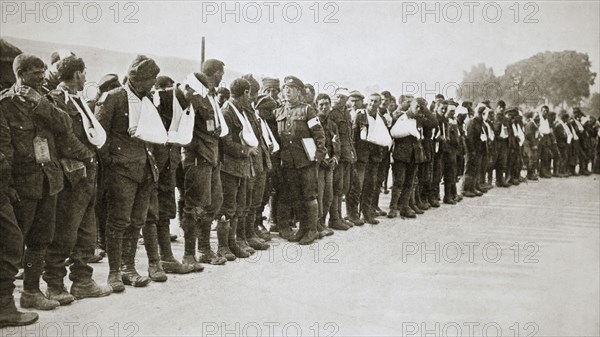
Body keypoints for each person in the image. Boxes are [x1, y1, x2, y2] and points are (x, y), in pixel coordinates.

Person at [1, 54, 94, 309]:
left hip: (49, 181)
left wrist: (40, 103)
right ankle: (5, 300)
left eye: (43, 71)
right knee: (12, 244)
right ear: (20, 74)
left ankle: (31, 292)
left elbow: (65, 126)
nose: (42, 76)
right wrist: (7, 186)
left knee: (41, 240)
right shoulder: (5, 104)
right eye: (35, 73)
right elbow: (5, 148)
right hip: (22, 185)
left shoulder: (47, 98)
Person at [44, 56, 113, 304]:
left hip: (86, 174)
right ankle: (54, 284)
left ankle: (82, 281)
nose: (86, 77)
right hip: (72, 174)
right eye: (83, 73)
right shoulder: (55, 101)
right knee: (65, 231)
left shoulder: (77, 100)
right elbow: (64, 138)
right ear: (75, 75)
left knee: (85, 232)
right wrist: (87, 156)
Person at [95, 55, 161, 292]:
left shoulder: (147, 100)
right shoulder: (113, 98)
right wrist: (112, 162)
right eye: (150, 79)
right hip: (121, 172)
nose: (153, 83)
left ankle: (128, 268)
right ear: (138, 79)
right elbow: (98, 136)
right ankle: (114, 272)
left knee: (136, 221)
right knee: (118, 221)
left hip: (144, 169)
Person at [145, 79, 197, 275]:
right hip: (152, 164)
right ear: (187, 87)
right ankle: (153, 263)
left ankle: (166, 258)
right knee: (151, 213)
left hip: (169, 164)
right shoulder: (161, 97)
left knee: (165, 210)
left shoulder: (186, 104)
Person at [180, 60, 229, 267]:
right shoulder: (195, 96)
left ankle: (204, 250)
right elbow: (184, 129)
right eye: (221, 74)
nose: (222, 78)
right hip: (198, 159)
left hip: (212, 158)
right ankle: (189, 254)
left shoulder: (210, 98)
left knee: (212, 204)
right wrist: (198, 149)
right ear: (215, 73)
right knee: (194, 207)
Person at [274, 76, 326, 245]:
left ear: (298, 91)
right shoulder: (279, 111)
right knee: (293, 195)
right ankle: (299, 229)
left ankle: (311, 230)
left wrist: (318, 156)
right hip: (288, 162)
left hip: (306, 161)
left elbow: (319, 135)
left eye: (291, 89)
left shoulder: (307, 110)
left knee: (309, 195)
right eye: (285, 89)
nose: (287, 91)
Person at [388, 97, 436, 218]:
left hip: (415, 154)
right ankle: (393, 208)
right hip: (401, 153)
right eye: (417, 106)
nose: (419, 109)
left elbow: (434, 123)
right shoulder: (400, 116)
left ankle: (405, 207)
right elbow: (392, 133)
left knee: (409, 182)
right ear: (411, 105)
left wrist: (425, 110)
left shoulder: (420, 117)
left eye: (422, 107)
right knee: (398, 182)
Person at [328, 87, 355, 230]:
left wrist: (352, 151)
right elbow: (333, 137)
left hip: (346, 154)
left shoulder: (347, 114)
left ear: (346, 100)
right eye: (337, 97)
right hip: (338, 154)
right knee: (336, 187)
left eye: (342, 98)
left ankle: (339, 217)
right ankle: (334, 219)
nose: (339, 100)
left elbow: (349, 137)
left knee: (343, 187)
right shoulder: (332, 114)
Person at [315, 93, 338, 236]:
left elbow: (337, 144)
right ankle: (316, 225)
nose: (324, 107)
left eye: (326, 104)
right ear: (316, 106)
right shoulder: (313, 122)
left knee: (328, 195)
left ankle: (323, 223)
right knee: (319, 194)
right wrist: (320, 159)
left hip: (329, 165)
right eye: (321, 104)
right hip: (318, 165)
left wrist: (335, 157)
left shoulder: (332, 124)